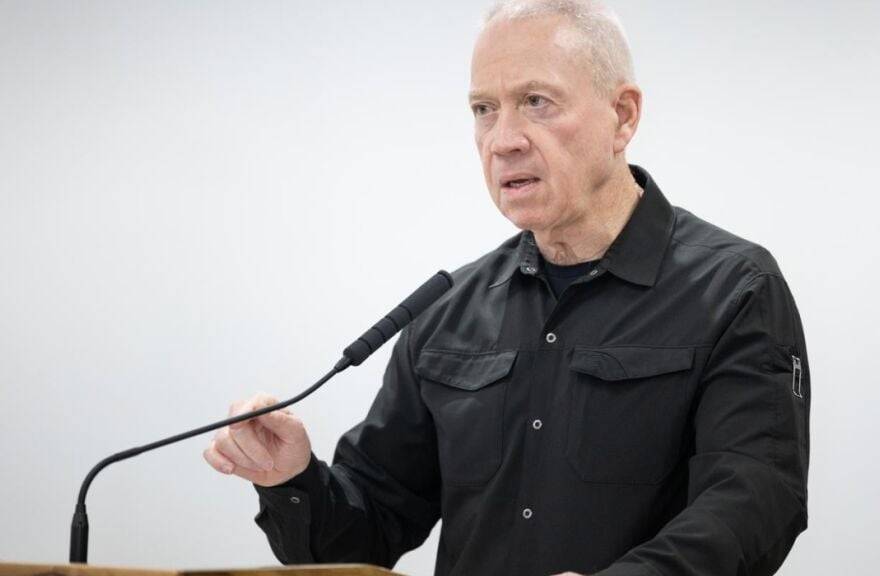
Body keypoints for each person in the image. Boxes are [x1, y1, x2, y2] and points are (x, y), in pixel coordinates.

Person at [203, 1, 811, 575]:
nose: (503, 139)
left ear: (622, 116)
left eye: (537, 101)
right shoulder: (446, 312)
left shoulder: (734, 289)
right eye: (483, 109)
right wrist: (293, 480)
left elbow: (755, 501)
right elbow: (370, 530)